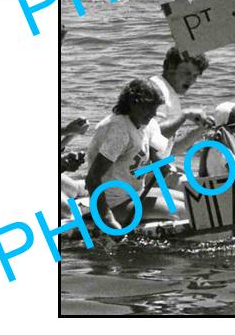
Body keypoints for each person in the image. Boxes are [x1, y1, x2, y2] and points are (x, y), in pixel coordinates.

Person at [83, 79, 210, 229]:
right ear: (133, 104)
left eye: (155, 108)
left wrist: (160, 165)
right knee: (183, 212)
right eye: (149, 108)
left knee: (194, 202)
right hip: (114, 203)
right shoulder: (118, 130)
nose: (153, 114)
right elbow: (92, 178)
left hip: (136, 193)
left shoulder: (145, 123)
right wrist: (106, 219)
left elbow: (153, 154)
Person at [150, 48, 211, 147]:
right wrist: (184, 115)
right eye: (187, 73)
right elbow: (150, 136)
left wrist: (200, 130)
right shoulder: (157, 90)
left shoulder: (169, 92)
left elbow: (170, 149)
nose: (191, 80)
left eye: (195, 75)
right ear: (170, 67)